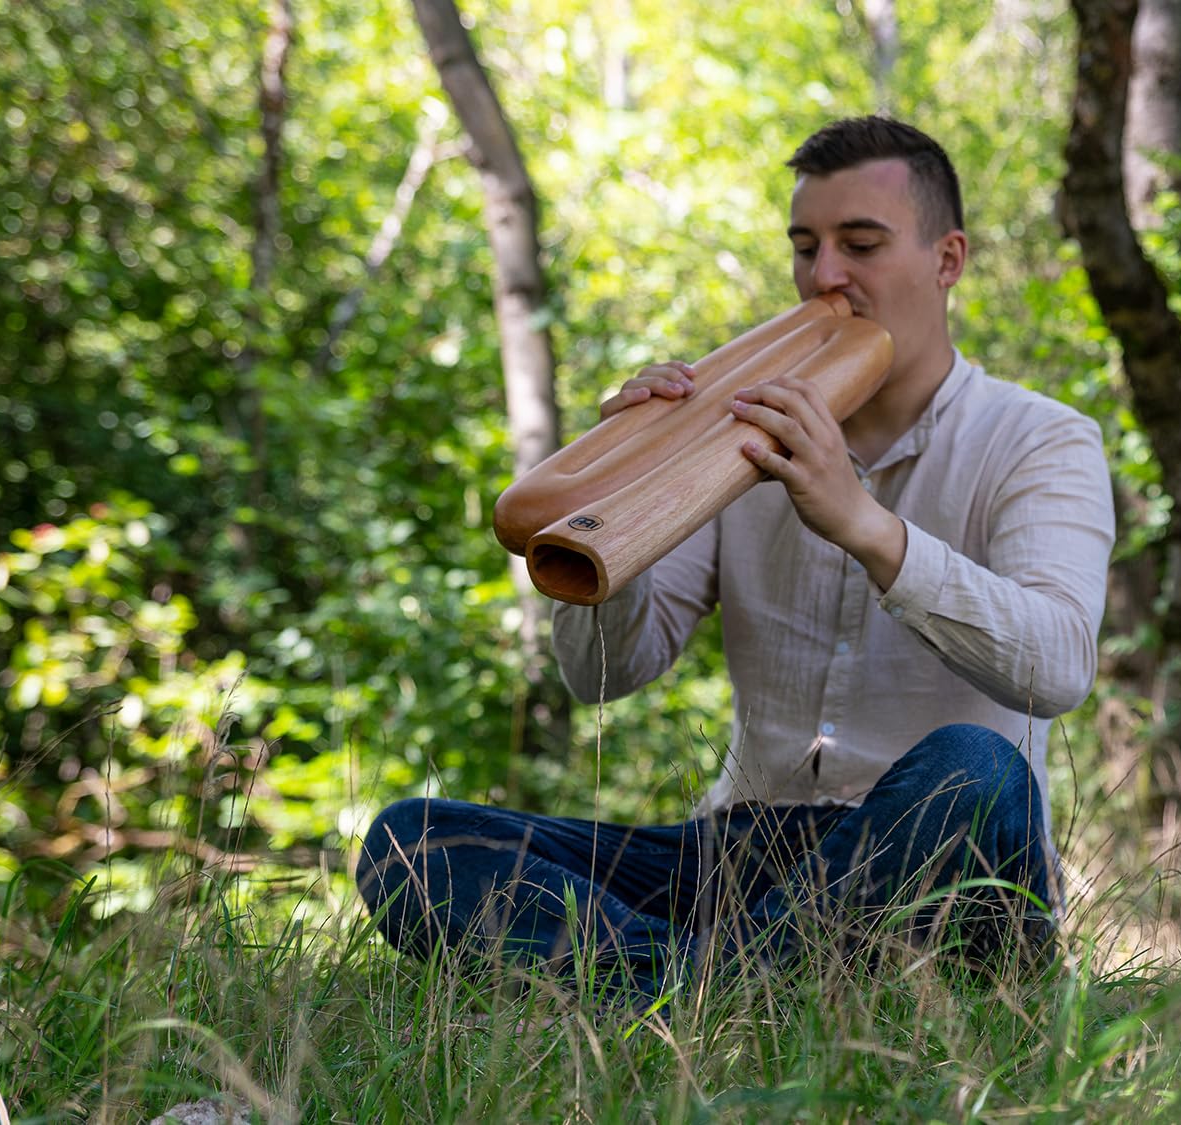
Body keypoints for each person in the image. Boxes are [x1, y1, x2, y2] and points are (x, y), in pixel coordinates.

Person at [358, 117, 1114, 998]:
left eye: (860, 244)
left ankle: (677, 991)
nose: (824, 276)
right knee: (412, 842)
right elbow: (604, 674)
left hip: (939, 858)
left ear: (948, 260)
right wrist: (632, 476)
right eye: (806, 247)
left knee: (980, 767)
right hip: (744, 855)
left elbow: (1057, 667)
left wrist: (865, 524)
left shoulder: (1041, 440)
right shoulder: (734, 431)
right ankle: (727, 990)